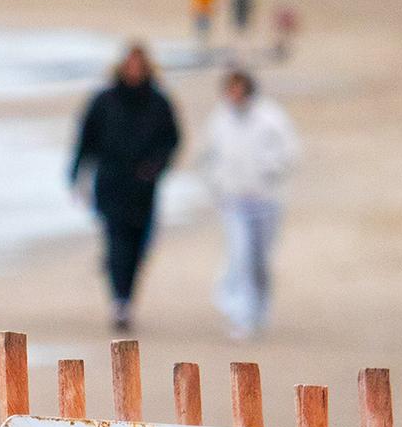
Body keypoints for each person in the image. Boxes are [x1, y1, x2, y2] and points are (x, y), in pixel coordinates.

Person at [69, 43, 182, 332]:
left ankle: (125, 291)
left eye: (138, 66)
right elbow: (86, 139)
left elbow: (172, 140)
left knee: (140, 244)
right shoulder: (104, 100)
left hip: (143, 186)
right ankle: (120, 301)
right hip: (110, 182)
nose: (133, 71)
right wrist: (76, 174)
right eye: (129, 66)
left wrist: (156, 167)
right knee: (116, 238)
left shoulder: (158, 102)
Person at [202, 69, 299, 340]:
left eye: (239, 88)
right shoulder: (219, 120)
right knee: (240, 255)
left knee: (260, 261)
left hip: (266, 200)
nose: (234, 94)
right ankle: (240, 314)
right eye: (230, 89)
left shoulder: (271, 117)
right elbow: (208, 156)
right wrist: (217, 185)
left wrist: (270, 169)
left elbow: (290, 151)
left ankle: (260, 309)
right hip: (233, 201)